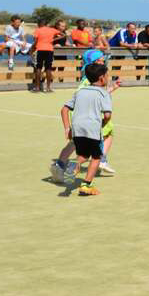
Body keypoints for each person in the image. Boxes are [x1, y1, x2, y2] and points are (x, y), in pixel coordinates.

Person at [50, 49, 119, 183]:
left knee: (77, 145)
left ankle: (61, 166)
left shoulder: (87, 79)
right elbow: (103, 107)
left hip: (79, 119)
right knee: (95, 150)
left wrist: (112, 89)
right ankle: (92, 171)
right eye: (99, 60)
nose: (102, 61)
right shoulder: (88, 82)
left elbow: (70, 105)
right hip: (91, 118)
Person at [60, 62, 113, 197]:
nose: (108, 78)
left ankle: (74, 164)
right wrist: (101, 124)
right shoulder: (103, 94)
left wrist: (67, 128)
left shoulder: (80, 92)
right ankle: (86, 185)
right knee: (96, 157)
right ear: (102, 78)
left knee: (83, 155)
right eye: (107, 76)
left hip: (77, 129)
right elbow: (107, 115)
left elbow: (64, 109)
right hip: (92, 129)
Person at [31, 18, 63, 93]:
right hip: (49, 50)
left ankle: (37, 87)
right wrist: (53, 39)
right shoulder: (52, 30)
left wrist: (32, 48)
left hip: (40, 49)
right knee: (48, 68)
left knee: (38, 68)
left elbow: (35, 40)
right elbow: (63, 35)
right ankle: (48, 88)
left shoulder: (38, 30)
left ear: (40, 24)